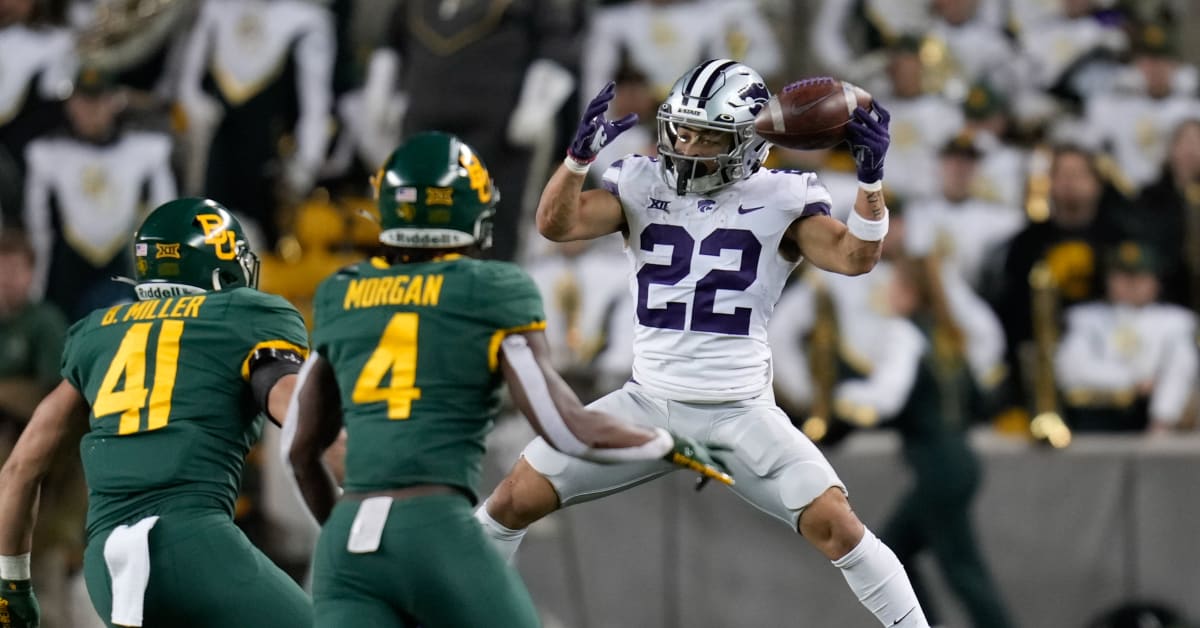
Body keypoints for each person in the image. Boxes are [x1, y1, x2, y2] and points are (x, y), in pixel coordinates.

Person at [475, 60, 931, 627]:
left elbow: (855, 258)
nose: (687, 145)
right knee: (512, 500)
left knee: (837, 526)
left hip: (738, 414)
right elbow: (557, 225)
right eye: (682, 130)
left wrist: (870, 184)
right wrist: (576, 162)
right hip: (644, 405)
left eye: (707, 135)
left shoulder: (783, 195)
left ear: (745, 141)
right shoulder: (640, 179)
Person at [285, 131, 733, 628]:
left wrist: (343, 535)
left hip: (347, 543)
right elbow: (562, 428)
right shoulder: (492, 289)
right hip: (434, 526)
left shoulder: (342, 292)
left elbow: (300, 450)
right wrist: (667, 443)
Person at [0, 198, 314, 628]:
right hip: (192, 543)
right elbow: (296, 411)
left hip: (106, 563)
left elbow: (20, 467)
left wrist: (11, 584)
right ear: (217, 266)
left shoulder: (98, 330)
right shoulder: (244, 316)